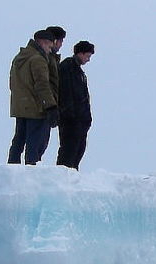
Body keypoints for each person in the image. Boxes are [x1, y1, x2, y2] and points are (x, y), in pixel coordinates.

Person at [7, 29, 59, 165]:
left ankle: (12, 168)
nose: (49, 50)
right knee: (35, 144)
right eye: (49, 46)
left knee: (19, 140)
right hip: (36, 109)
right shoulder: (38, 59)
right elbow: (42, 84)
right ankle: (32, 171)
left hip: (20, 107)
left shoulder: (20, 57)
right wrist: (51, 106)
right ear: (42, 43)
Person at [56, 40, 95, 170]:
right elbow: (65, 92)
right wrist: (69, 115)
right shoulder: (67, 67)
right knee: (69, 150)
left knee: (79, 149)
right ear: (80, 53)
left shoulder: (78, 71)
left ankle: (72, 174)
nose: (88, 60)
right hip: (71, 119)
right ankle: (63, 176)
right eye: (88, 56)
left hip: (80, 120)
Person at [45, 26, 66, 104]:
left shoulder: (51, 58)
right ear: (55, 41)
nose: (61, 45)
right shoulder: (47, 59)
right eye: (61, 41)